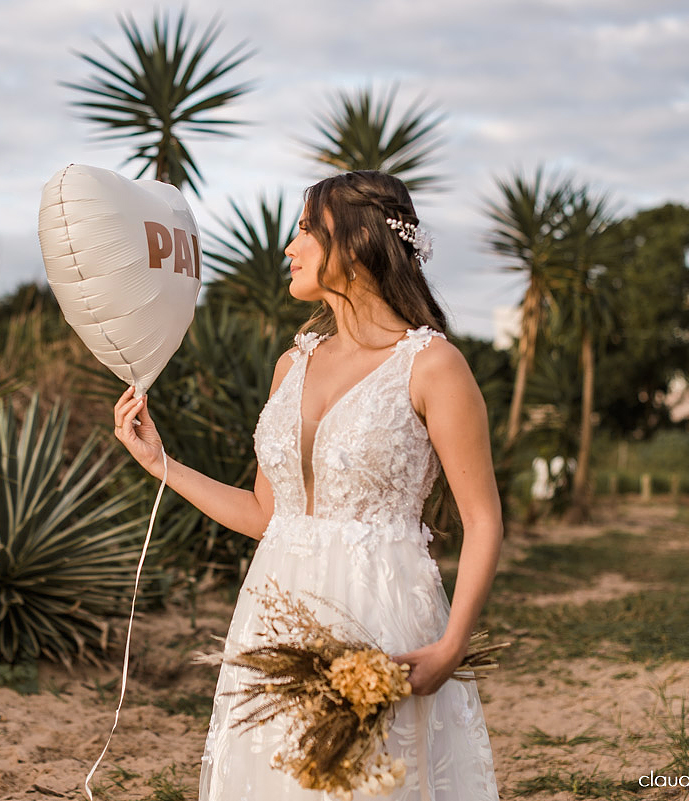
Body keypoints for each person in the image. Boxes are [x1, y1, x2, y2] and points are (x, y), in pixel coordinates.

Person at [113, 170, 501, 800]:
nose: (288, 248)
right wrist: (161, 464)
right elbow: (270, 515)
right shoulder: (292, 363)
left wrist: (452, 645)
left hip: (381, 616)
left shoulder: (432, 365)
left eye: (304, 231)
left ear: (355, 243)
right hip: (275, 613)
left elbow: (483, 519)